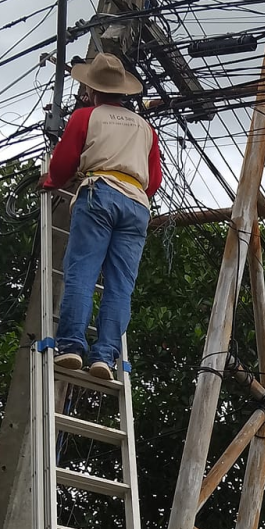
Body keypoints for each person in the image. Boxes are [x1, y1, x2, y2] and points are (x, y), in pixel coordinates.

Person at [42, 52, 162, 381]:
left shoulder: (85, 117)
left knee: (81, 273)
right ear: (123, 92)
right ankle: (106, 356)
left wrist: (51, 182)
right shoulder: (145, 129)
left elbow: (63, 163)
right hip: (137, 205)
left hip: (99, 193)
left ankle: (71, 347)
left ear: (92, 90)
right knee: (120, 288)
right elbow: (154, 181)